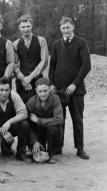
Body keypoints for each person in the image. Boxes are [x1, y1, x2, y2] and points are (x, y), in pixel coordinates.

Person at [49, 16, 91, 159]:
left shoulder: (81, 43)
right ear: (60, 29)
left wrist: (74, 84)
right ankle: (58, 147)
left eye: (68, 27)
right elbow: (52, 66)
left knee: (77, 121)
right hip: (59, 91)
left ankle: (80, 148)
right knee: (59, 120)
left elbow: (86, 65)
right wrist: (52, 83)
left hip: (76, 91)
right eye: (63, 28)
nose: (66, 30)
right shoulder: (56, 44)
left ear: (73, 27)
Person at [0, 77, 38, 161]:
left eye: (6, 90)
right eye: (1, 90)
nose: (4, 93)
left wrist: (9, 122)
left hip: (10, 126)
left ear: (10, 90)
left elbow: (24, 114)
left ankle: (20, 153)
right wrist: (3, 132)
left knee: (24, 124)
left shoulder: (14, 95)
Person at [26, 78, 63, 164]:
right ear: (36, 91)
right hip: (37, 131)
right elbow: (27, 124)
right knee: (25, 126)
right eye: (40, 91)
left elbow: (59, 119)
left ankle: (51, 153)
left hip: (50, 130)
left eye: (45, 91)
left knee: (54, 128)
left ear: (49, 90)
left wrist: (39, 120)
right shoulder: (31, 102)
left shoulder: (55, 99)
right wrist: (34, 141)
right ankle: (32, 149)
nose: (43, 94)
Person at [13, 14, 49, 103]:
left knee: (39, 107)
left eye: (28, 26)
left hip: (38, 80)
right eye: (23, 27)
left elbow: (44, 61)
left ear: (32, 26)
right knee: (24, 108)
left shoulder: (41, 40)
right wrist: (23, 79)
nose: (26, 29)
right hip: (22, 82)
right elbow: (15, 64)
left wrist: (30, 77)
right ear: (19, 28)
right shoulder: (15, 44)